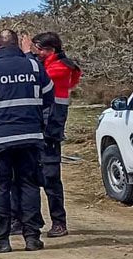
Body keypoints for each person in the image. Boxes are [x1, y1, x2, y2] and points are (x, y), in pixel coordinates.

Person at [0, 29, 55, 253]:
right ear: (17, 44)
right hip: (31, 138)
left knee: (0, 188)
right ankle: (32, 238)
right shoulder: (35, 66)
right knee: (29, 186)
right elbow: (48, 97)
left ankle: (0, 239)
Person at [11, 32, 82, 238]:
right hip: (37, 125)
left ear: (51, 50)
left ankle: (59, 222)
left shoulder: (61, 67)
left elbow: (38, 77)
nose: (37, 53)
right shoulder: (49, 64)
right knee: (24, 175)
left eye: (40, 50)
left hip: (51, 128)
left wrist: (28, 55)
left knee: (51, 178)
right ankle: (24, 220)